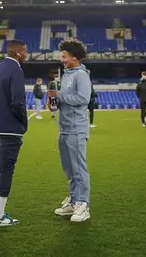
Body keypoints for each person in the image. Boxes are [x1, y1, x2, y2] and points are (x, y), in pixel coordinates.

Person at [0, 39, 28, 227]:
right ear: (17, 53)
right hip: (9, 128)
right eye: (25, 51)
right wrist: (24, 122)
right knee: (6, 169)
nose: (27, 54)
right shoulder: (16, 70)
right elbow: (17, 102)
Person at [50, 39, 92, 223]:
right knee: (69, 169)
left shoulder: (81, 75)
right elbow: (66, 99)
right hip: (64, 128)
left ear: (74, 57)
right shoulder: (66, 74)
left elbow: (83, 98)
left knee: (78, 168)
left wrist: (59, 95)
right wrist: (53, 102)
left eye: (64, 56)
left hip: (76, 128)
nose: (62, 60)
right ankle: (74, 201)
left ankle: (83, 205)